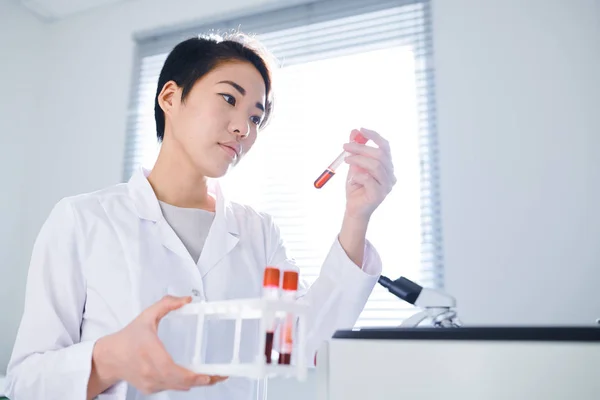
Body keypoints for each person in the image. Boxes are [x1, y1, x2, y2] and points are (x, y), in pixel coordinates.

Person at [4, 32, 396, 400]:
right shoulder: (82, 220)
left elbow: (303, 342)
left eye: (256, 117)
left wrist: (357, 216)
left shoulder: (258, 232)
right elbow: (26, 382)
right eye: (229, 99)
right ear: (171, 98)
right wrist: (111, 358)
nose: (243, 127)